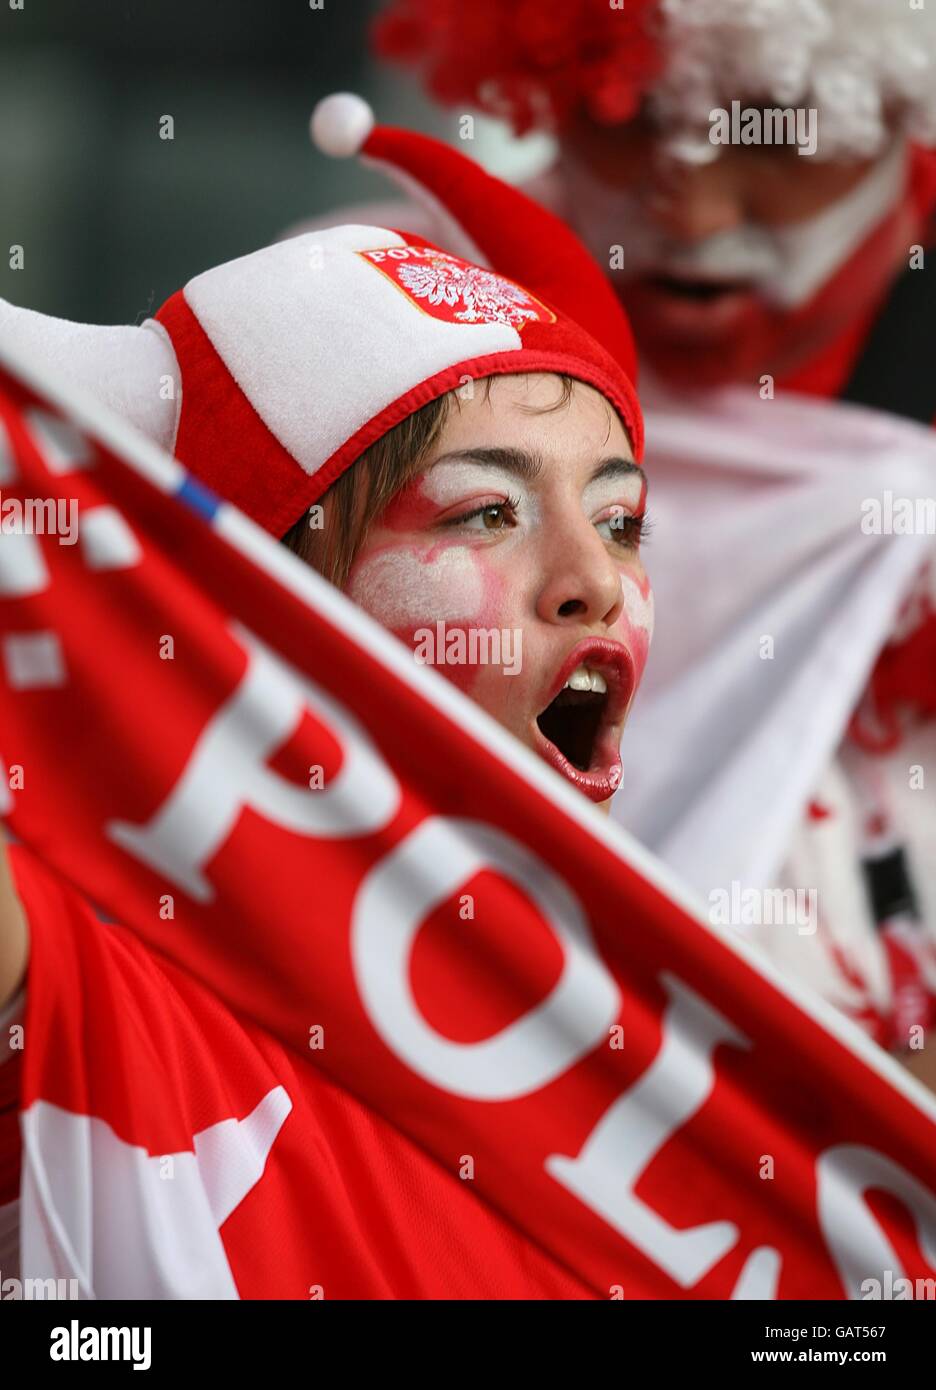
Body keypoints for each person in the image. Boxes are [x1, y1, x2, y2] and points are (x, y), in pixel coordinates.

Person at [0, 99, 652, 1296]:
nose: (596, 584)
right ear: (259, 615)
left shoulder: (684, 1080)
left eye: (620, 520)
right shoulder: (103, 990)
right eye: (484, 512)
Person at [367, 0, 936, 1072]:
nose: (695, 206)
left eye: (782, 116)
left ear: (907, 101)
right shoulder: (387, 304)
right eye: (625, 113)